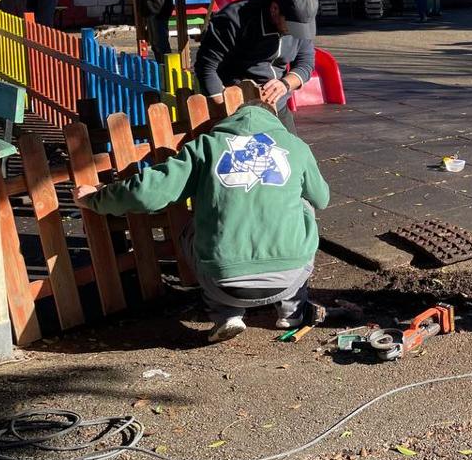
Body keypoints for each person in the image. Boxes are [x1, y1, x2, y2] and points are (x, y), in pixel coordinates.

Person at [73, 98, 331, 343]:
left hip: (225, 280)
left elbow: (148, 191)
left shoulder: (207, 146)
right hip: (289, 275)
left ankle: (226, 315)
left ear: (233, 119)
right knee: (305, 205)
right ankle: (291, 311)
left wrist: (97, 198)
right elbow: (322, 198)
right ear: (274, 120)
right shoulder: (295, 147)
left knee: (193, 229)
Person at [193, 0, 317, 135]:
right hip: (235, 103)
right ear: (274, 9)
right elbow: (206, 67)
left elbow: (305, 63)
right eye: (292, 26)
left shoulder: (300, 21)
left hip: (275, 104)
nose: (296, 33)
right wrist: (226, 109)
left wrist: (285, 84)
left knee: (292, 155)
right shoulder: (233, 20)